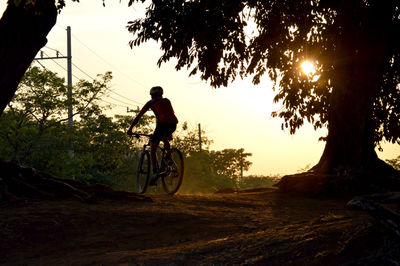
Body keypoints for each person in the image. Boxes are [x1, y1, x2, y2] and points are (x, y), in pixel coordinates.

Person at [127, 86, 178, 185]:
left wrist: (130, 129)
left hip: (162, 125)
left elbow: (138, 116)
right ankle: (170, 160)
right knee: (164, 138)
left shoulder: (150, 103)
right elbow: (170, 115)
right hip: (173, 124)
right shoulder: (167, 101)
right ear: (161, 94)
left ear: (151, 95)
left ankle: (155, 173)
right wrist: (169, 134)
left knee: (153, 149)